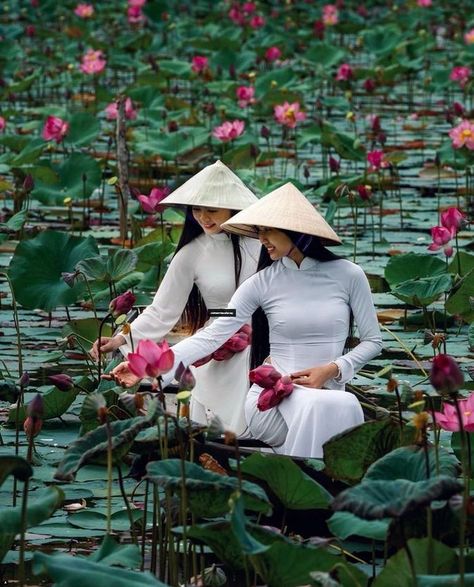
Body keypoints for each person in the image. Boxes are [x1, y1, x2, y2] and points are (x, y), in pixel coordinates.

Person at [110, 183, 382, 458]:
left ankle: (314, 480)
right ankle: (314, 478)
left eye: (268, 230)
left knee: (341, 403)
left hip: (329, 389)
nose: (262, 238)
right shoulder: (261, 282)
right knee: (325, 407)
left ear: (296, 230)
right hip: (273, 398)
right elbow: (213, 334)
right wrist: (148, 368)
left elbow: (373, 340)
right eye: (258, 231)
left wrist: (334, 368)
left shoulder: (350, 275)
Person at [91, 160, 261, 435]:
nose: (204, 218)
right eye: (197, 210)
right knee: (237, 359)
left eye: (212, 210)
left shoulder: (263, 244)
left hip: (265, 333)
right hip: (218, 336)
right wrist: (120, 338)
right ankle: (229, 436)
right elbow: (162, 310)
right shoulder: (191, 253)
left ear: (232, 207)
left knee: (259, 356)